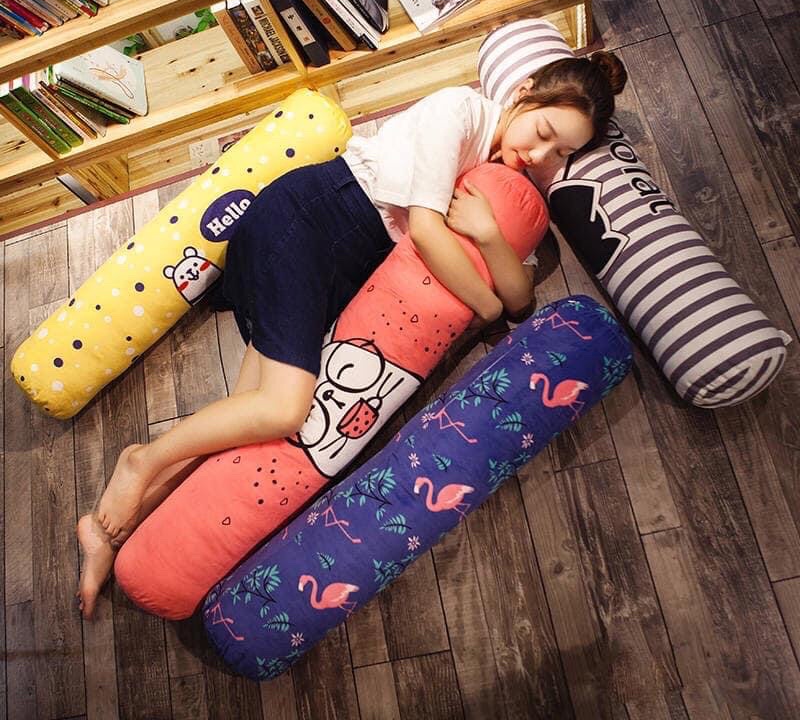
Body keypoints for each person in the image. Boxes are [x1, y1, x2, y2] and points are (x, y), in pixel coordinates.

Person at [76, 50, 627, 619]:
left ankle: (104, 532)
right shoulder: (461, 112)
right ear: (525, 91)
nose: (538, 156)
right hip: (314, 221)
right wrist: (483, 304)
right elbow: (428, 232)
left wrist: (489, 236)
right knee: (283, 410)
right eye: (542, 132)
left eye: (560, 153)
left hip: (347, 273)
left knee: (243, 426)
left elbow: (521, 298)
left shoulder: (507, 188)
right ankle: (140, 461)